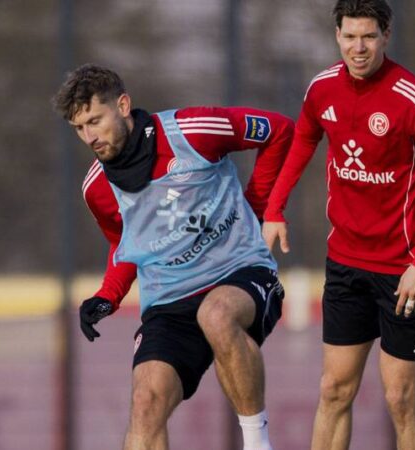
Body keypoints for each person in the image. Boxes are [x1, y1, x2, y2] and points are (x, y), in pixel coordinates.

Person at [261, 1, 415, 448]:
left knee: (399, 397)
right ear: (337, 35)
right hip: (345, 263)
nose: (358, 48)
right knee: (333, 389)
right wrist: (274, 208)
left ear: (386, 35)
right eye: (350, 37)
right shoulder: (322, 89)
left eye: (368, 37)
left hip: (406, 270)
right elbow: (303, 140)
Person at [52, 64, 292, 450]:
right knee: (145, 403)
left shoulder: (194, 131)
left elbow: (280, 131)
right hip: (169, 301)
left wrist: (260, 206)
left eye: (95, 120)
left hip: (240, 273)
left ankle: (256, 442)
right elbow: (127, 245)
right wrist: (108, 294)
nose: (90, 136)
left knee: (215, 314)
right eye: (80, 128)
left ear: (124, 105)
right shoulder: (97, 188)